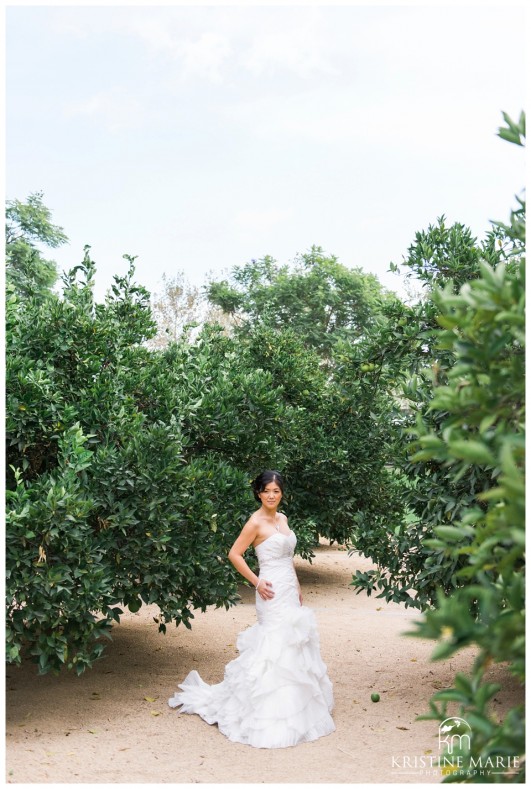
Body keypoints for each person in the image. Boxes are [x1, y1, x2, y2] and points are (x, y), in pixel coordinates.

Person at [167, 470, 335, 748]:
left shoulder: (283, 519)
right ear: (258, 493)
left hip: (289, 590)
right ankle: (267, 711)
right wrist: (257, 583)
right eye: (266, 491)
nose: (271, 495)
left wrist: (297, 585)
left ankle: (299, 705)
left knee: (294, 642)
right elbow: (234, 554)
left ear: (282, 494)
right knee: (273, 646)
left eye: (276, 491)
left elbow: (288, 557)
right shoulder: (255, 522)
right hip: (269, 591)